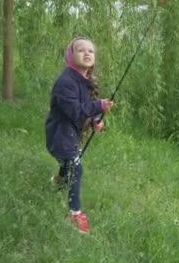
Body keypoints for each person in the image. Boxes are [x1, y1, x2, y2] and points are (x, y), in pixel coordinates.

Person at [45, 37, 113, 234]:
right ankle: (74, 215)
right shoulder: (65, 82)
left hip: (69, 134)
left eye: (90, 51)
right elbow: (75, 110)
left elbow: (84, 109)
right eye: (81, 50)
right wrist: (99, 105)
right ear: (70, 56)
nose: (87, 53)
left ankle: (58, 181)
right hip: (59, 134)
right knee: (76, 167)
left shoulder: (83, 81)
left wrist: (94, 120)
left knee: (69, 163)